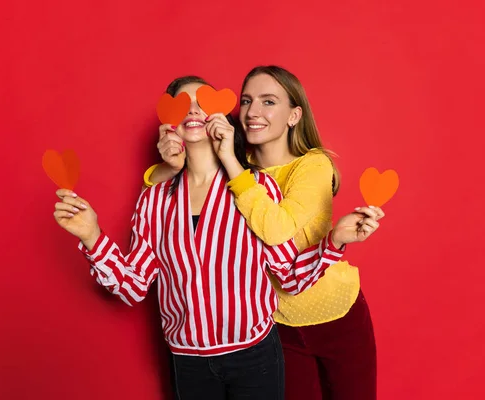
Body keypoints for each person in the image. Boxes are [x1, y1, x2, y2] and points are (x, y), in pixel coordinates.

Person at [54, 76, 382, 400]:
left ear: (222, 118)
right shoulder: (154, 200)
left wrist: (335, 240)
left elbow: (290, 276)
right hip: (188, 361)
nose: (193, 110)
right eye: (182, 104)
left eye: (203, 102)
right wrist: (92, 235)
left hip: (256, 356)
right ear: (169, 123)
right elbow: (133, 287)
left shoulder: (255, 189)